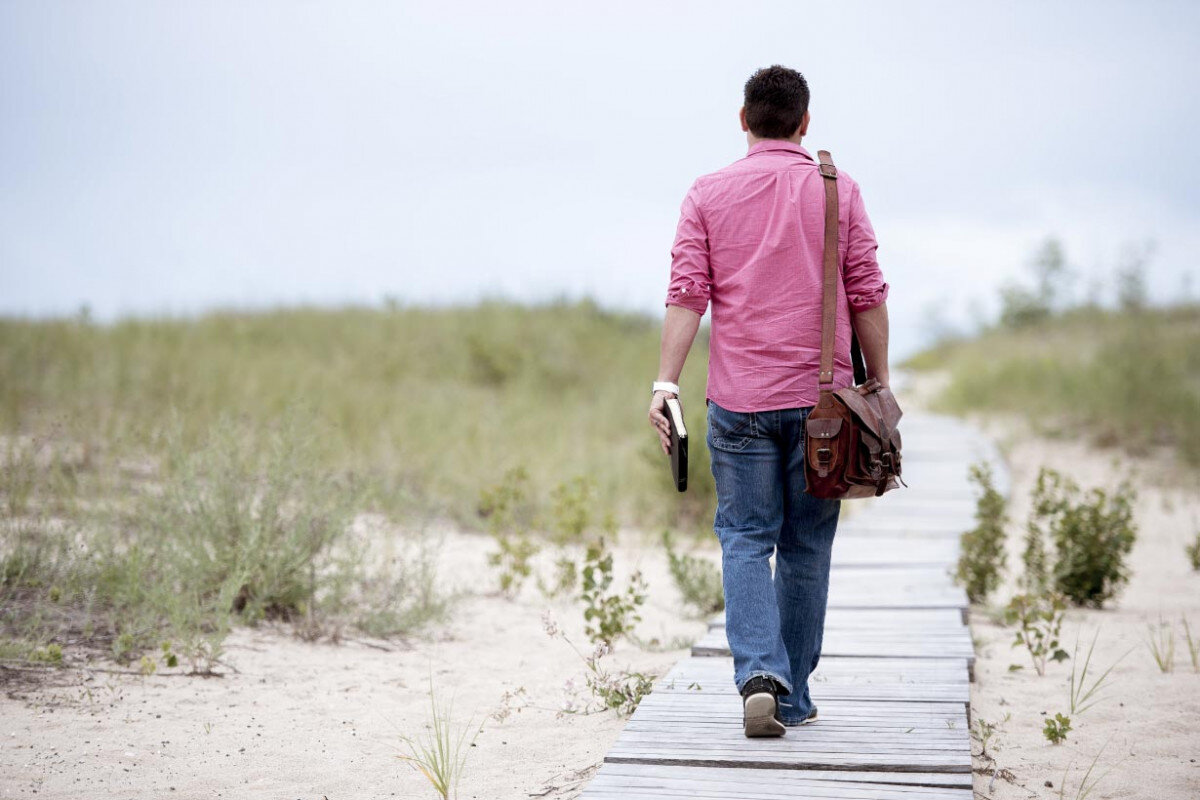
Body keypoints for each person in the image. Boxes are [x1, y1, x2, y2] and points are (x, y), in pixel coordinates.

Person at [647, 65, 891, 738]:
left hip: (740, 400)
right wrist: (879, 385)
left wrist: (665, 385)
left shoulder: (707, 192)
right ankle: (793, 697)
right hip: (825, 404)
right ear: (805, 122)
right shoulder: (839, 191)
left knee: (746, 539)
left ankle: (759, 672)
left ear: (743, 119)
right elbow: (868, 290)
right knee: (807, 546)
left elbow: (687, 293)